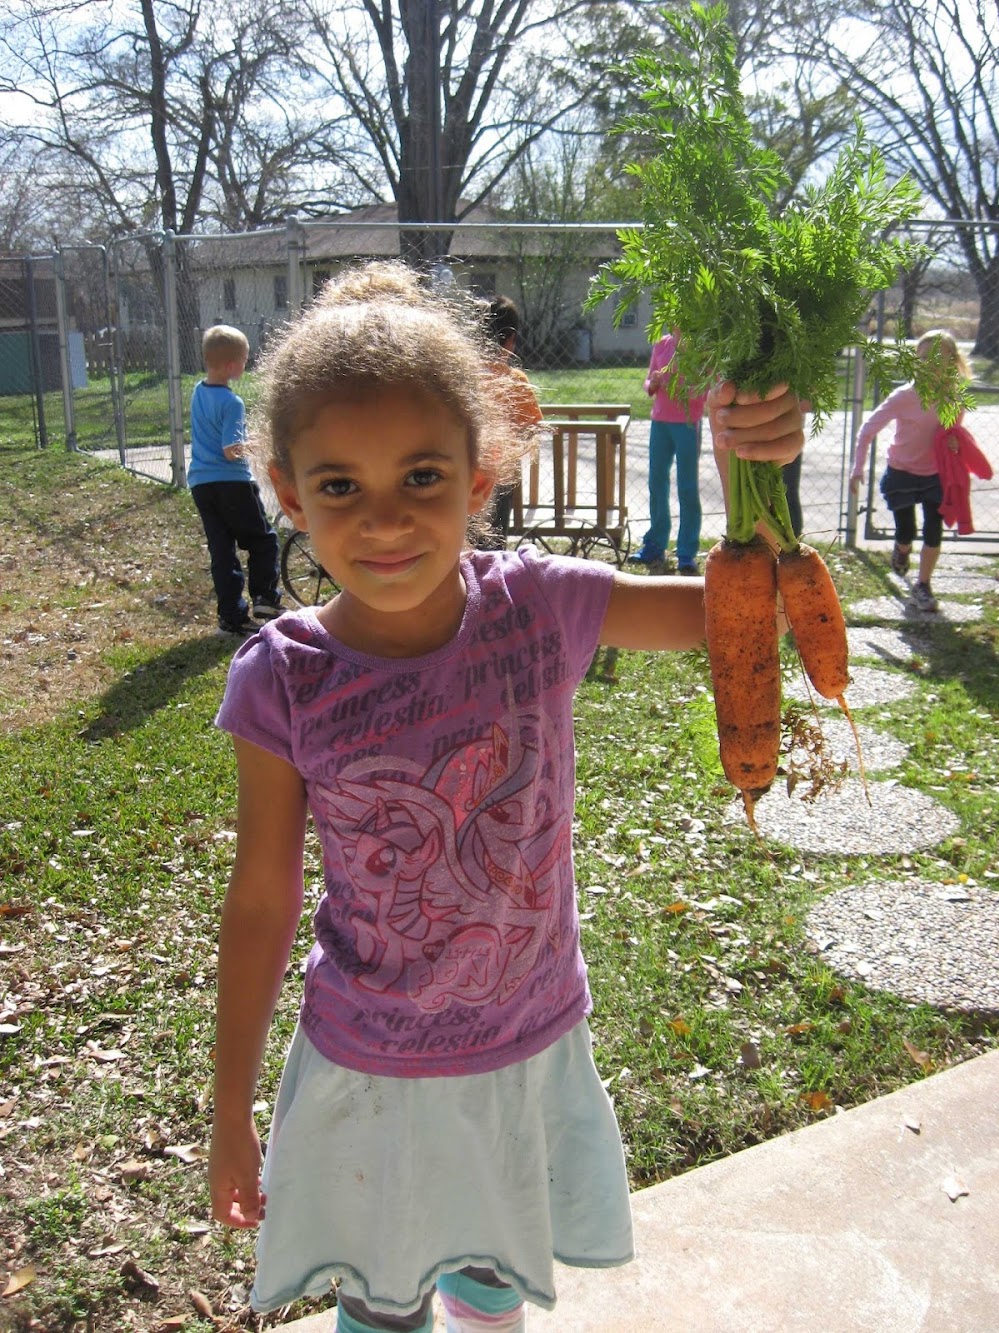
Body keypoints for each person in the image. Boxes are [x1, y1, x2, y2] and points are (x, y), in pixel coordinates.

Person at [207, 261, 805, 1333]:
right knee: (383, 1308)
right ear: (289, 494)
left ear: (481, 477)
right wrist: (229, 1108)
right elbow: (259, 900)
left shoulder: (538, 607)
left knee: (490, 1290)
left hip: (525, 1045)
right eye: (339, 485)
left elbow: (746, 617)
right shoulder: (282, 674)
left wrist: (754, 468)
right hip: (370, 1063)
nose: (384, 521)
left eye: (423, 477)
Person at [849, 329, 971, 613]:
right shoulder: (904, 396)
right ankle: (902, 550)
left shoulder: (955, 399)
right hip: (901, 471)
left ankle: (923, 584)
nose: (929, 364)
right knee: (907, 531)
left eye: (936, 358)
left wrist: (954, 441)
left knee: (933, 529)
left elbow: (951, 435)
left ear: (951, 361)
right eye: (923, 358)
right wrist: (858, 467)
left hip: (934, 474)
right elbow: (868, 429)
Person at [188, 324, 282, 636]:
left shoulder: (198, 392)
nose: (246, 364)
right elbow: (231, 451)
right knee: (262, 540)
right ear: (230, 365)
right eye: (244, 359)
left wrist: (244, 438)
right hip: (232, 483)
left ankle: (231, 616)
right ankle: (265, 597)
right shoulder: (232, 402)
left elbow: (216, 437)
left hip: (202, 484)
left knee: (222, 550)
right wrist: (261, 443)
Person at [629, 330, 708, 574]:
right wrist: (652, 383)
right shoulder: (662, 345)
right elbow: (648, 380)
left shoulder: (701, 348)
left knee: (687, 487)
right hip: (660, 422)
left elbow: (707, 389)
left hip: (687, 423)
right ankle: (655, 543)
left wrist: (679, 385)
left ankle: (686, 550)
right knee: (657, 482)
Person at [477, 294, 543, 548]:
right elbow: (530, 427)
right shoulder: (514, 381)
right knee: (494, 534)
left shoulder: (460, 378)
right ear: (511, 340)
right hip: (500, 473)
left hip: (461, 470)